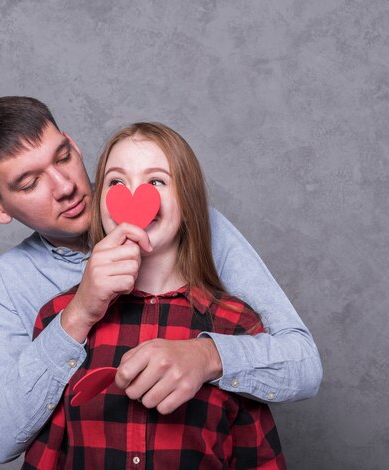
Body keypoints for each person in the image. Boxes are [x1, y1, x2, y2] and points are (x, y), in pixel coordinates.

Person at [0, 96, 321, 464]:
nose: (64, 186)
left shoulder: (186, 222)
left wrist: (207, 355)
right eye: (31, 182)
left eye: (63, 157)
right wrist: (78, 313)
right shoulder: (11, 282)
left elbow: (302, 366)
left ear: (74, 146)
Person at [24, 122, 286, 469]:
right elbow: (47, 453)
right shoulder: (60, 316)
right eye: (116, 181)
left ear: (187, 200)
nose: (134, 194)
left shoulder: (235, 323)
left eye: (156, 181)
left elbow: (259, 459)